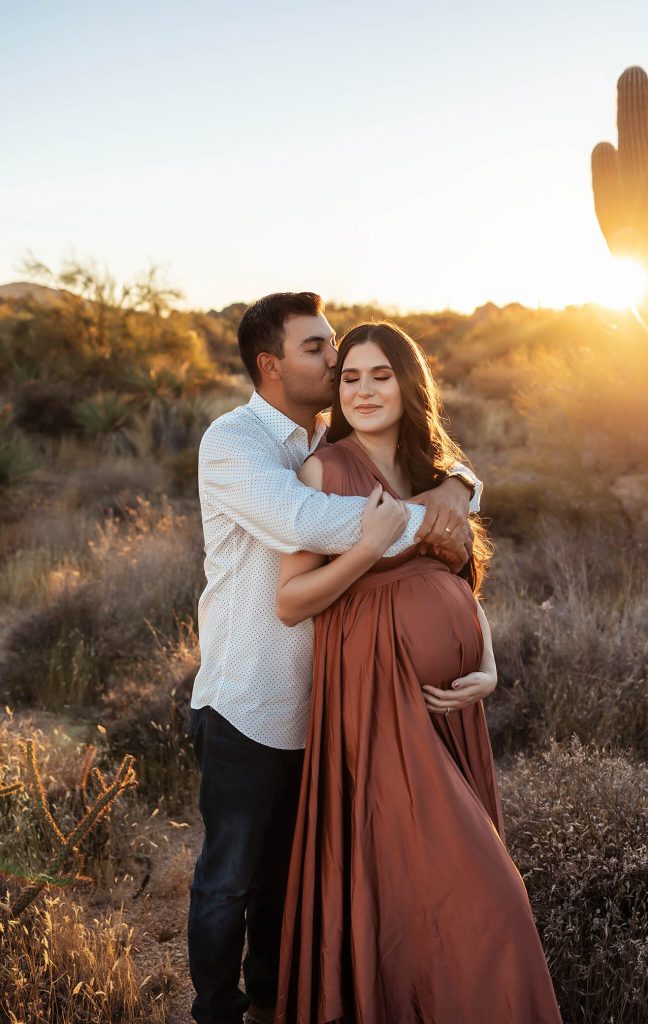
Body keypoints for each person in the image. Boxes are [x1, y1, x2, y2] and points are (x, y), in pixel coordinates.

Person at [188, 292, 483, 1024]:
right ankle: (214, 1013)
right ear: (271, 365)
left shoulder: (323, 437)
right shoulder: (235, 443)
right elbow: (306, 519)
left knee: (289, 880)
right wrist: (440, 517)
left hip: (331, 701)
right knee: (229, 879)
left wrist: (460, 485)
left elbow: (422, 456)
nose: (335, 359)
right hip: (249, 699)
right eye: (318, 349)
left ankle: (273, 1005)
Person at [274, 321, 563, 1023]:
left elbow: (460, 583)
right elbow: (290, 601)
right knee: (484, 893)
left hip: (447, 705)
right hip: (375, 700)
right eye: (350, 378)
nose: (364, 391)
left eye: (379, 375)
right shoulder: (323, 470)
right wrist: (367, 547)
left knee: (421, 884)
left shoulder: (438, 476)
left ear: (409, 383)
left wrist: (486, 663)